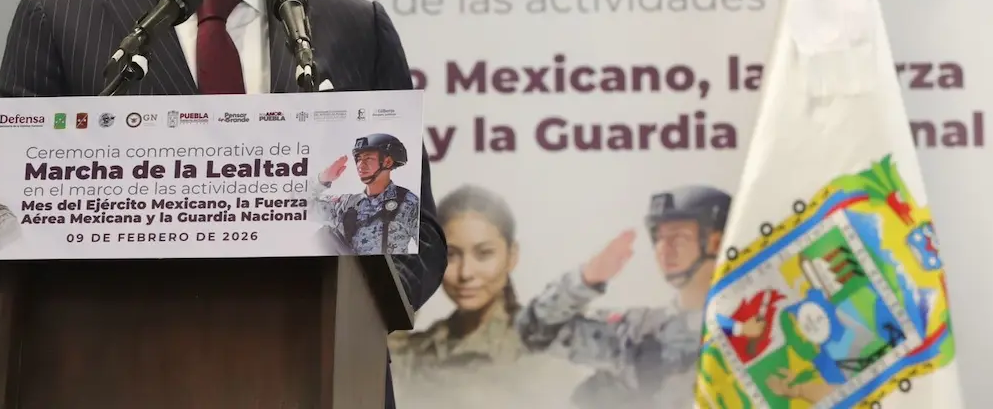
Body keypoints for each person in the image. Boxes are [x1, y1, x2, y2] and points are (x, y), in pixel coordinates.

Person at [0, 0, 446, 409]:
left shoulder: (351, 26)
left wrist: (340, 303)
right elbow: (7, 229)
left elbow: (418, 235)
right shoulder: (60, 20)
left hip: (318, 379)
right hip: (122, 376)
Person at [515, 185, 732, 408]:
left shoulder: (757, 323)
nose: (664, 250)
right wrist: (585, 280)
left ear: (717, 243)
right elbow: (533, 331)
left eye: (679, 238)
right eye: (658, 238)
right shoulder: (638, 334)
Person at [389, 184, 523, 374]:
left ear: (512, 256)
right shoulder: (421, 350)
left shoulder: (540, 347)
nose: (465, 273)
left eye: (484, 254)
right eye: (450, 255)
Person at [309, 134, 421, 254]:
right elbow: (295, 207)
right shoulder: (347, 204)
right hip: (348, 271)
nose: (360, 165)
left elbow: (430, 251)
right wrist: (321, 180)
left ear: (387, 162)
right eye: (358, 159)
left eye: (368, 158)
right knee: (324, 236)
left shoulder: (408, 203)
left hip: (389, 271)